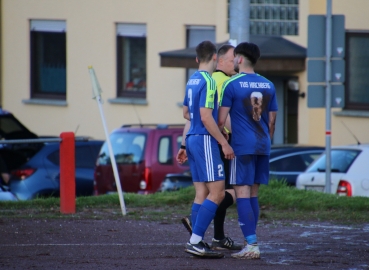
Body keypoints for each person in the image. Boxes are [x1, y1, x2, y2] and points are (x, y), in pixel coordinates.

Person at [178, 44, 242, 251]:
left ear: (197, 59)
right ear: (215, 57)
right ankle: (195, 241)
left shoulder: (192, 80)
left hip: (192, 139)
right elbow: (205, 116)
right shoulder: (209, 81)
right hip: (205, 140)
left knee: (202, 193)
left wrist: (209, 123)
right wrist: (223, 142)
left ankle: (197, 239)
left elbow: (187, 112)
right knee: (218, 193)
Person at [218, 42, 278, 259]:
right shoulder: (269, 84)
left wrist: (224, 138)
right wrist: (266, 141)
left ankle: (251, 245)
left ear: (240, 59)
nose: (233, 60)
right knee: (253, 193)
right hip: (263, 145)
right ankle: (250, 240)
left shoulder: (231, 84)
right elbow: (272, 121)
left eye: (235, 57)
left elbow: (221, 119)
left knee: (242, 192)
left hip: (242, 146)